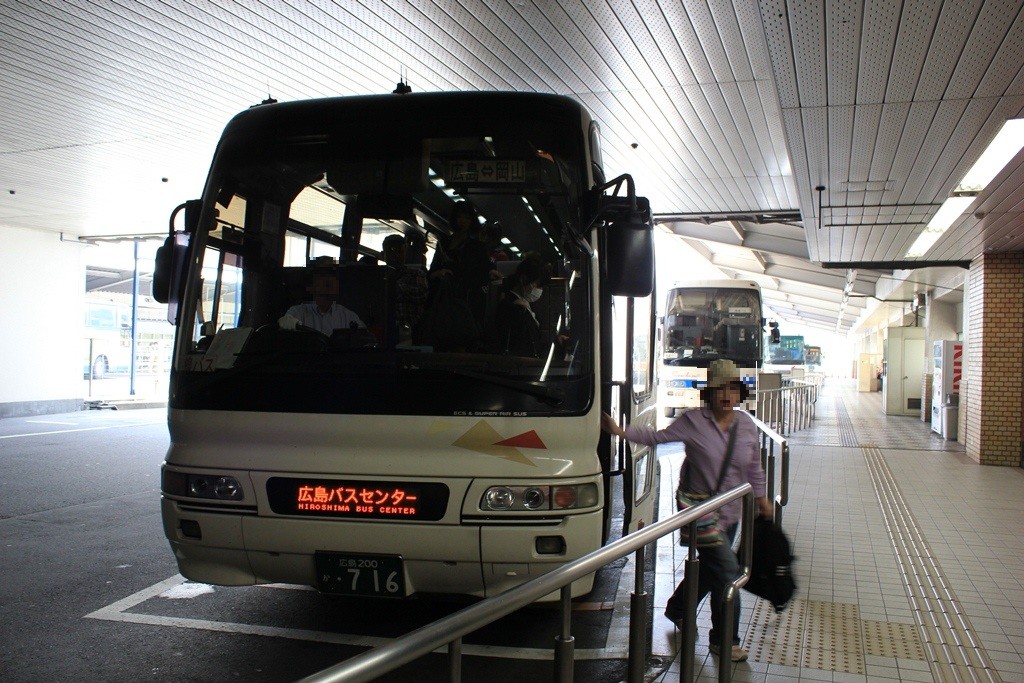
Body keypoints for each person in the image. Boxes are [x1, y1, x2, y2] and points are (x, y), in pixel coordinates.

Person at [601, 358, 771, 663]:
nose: (727, 395)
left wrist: (762, 500)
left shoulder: (745, 424)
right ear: (710, 392)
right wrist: (619, 431)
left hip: (731, 511)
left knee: (712, 569)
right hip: (700, 511)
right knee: (729, 574)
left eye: (732, 388)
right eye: (720, 389)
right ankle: (724, 639)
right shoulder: (694, 421)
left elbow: (754, 466)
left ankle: (678, 608)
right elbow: (656, 438)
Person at [494, 252, 557, 357]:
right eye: (538, 285)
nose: (540, 290)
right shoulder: (513, 308)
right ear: (523, 279)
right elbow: (526, 348)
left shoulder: (525, 304)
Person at [280, 257, 365, 335]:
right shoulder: (297, 312)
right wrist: (286, 322)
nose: (329, 280)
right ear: (310, 286)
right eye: (322, 275)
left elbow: (364, 340)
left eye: (332, 275)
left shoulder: (348, 316)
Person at [382, 234, 429, 343]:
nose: (396, 255)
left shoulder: (416, 274)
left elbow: (421, 295)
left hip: (413, 330)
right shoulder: (378, 276)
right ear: (383, 255)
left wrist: (393, 284)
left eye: (400, 251)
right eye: (391, 251)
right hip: (384, 328)